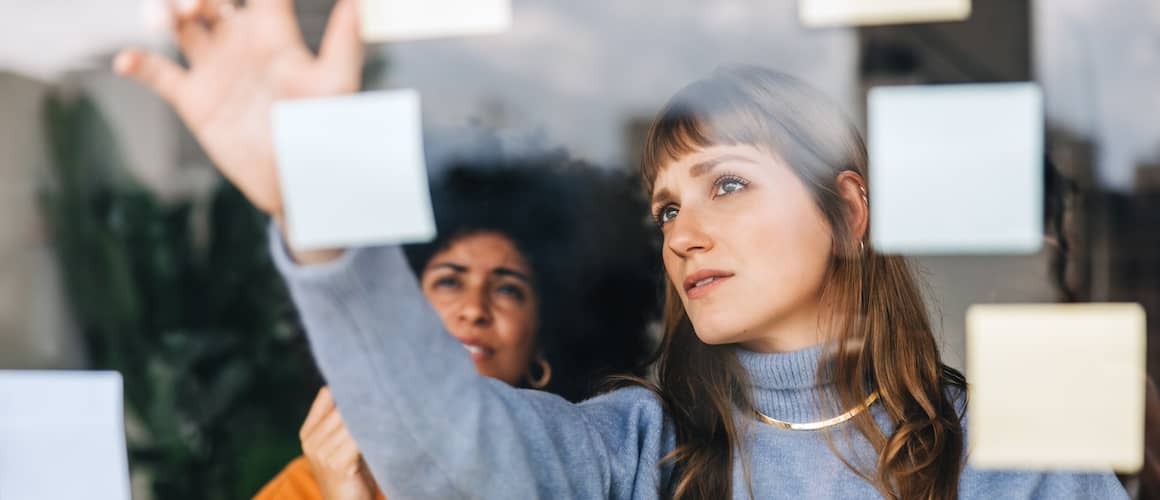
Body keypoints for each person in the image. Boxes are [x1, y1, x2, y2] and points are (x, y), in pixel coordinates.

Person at [114, 0, 1130, 497]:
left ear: (849, 212)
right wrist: (317, 205)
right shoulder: (634, 449)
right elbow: (443, 444)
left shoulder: (999, 452)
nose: (683, 231)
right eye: (663, 209)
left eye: (725, 182)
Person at [253, 162, 660, 499]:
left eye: (508, 289)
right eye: (450, 281)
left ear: (543, 344)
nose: (474, 308)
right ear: (399, 316)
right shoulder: (302, 487)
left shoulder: (587, 477)